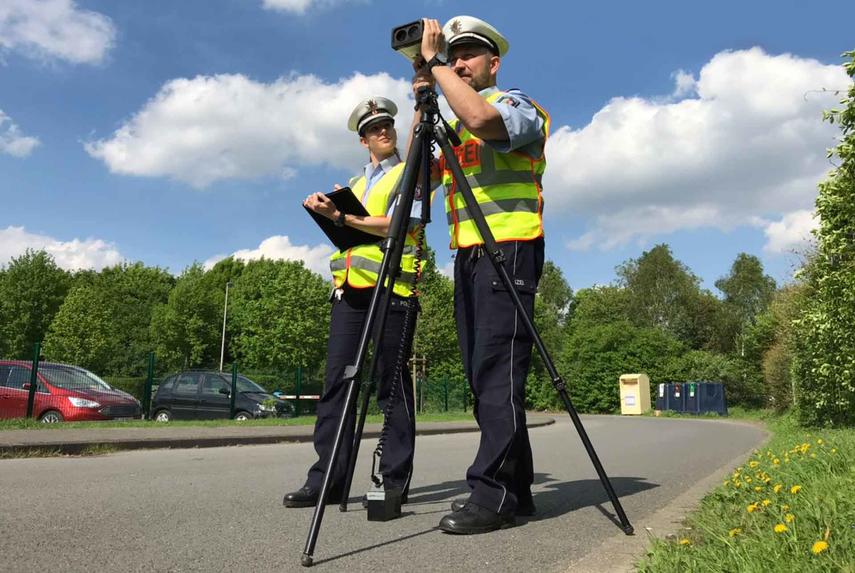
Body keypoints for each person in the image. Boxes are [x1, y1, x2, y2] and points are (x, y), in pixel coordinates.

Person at [412, 16, 550, 534]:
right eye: (454, 52)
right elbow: (420, 178)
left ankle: (491, 495)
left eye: (468, 54)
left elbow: (481, 121)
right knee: (483, 376)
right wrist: (422, 99)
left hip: (509, 249)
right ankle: (518, 491)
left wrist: (439, 66)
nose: (460, 61)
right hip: (469, 255)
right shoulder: (453, 117)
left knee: (496, 374)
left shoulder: (517, 105)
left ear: (494, 63)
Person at [283, 97, 421, 508]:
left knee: (391, 387)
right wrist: (327, 211)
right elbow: (352, 231)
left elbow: (396, 224)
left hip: (393, 289)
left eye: (387, 125)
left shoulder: (407, 173)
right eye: (375, 128)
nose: (384, 131)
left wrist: (343, 218)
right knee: (336, 386)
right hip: (349, 292)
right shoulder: (354, 186)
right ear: (363, 140)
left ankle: (392, 482)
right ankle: (328, 480)